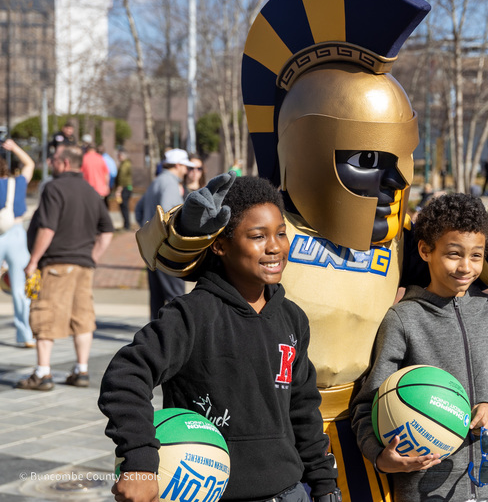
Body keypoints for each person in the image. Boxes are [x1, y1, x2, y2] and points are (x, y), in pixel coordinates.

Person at [133, 0, 488, 499]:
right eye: (367, 162)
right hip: (274, 423)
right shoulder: (271, 231)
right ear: (312, 150)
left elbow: (456, 267)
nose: (394, 182)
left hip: (370, 425)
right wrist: (192, 231)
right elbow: (170, 258)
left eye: (399, 163)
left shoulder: (395, 240)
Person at [99, 175, 341, 502]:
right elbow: (126, 374)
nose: (275, 246)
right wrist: (140, 459)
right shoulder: (193, 314)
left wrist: (325, 484)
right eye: (258, 236)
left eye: (281, 233)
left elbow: (303, 410)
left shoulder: (292, 318)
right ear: (221, 244)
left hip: (291, 493)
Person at [350, 193, 488, 501]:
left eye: (476, 256)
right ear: (425, 250)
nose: (466, 267)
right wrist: (381, 457)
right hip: (422, 487)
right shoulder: (404, 319)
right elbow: (366, 406)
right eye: (453, 254)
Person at [16, 144, 114, 390]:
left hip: (55, 264)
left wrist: (33, 261)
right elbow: (107, 230)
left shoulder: (53, 188)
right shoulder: (92, 192)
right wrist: (93, 257)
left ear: (65, 163)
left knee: (44, 315)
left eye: (54, 160)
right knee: (82, 319)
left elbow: (47, 229)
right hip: (83, 267)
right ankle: (81, 371)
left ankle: (43, 373)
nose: (51, 163)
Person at [135, 148, 198, 319]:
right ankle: (174, 340)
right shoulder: (170, 183)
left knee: (156, 299)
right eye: (185, 166)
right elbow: (170, 214)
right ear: (178, 165)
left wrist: (147, 231)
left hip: (152, 250)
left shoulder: (156, 181)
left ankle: (154, 339)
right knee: (175, 298)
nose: (187, 171)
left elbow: (139, 210)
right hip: (167, 250)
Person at [0, 138, 35, 348]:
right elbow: (30, 164)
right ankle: (25, 334)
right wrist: (14, 148)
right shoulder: (17, 183)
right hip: (16, 234)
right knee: (20, 288)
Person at [114, 150, 133, 230]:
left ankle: (127, 225)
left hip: (124, 188)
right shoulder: (126, 163)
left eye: (119, 156)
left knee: (124, 206)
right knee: (124, 206)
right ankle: (126, 224)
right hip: (126, 187)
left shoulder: (125, 165)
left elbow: (122, 176)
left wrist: (119, 188)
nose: (118, 158)